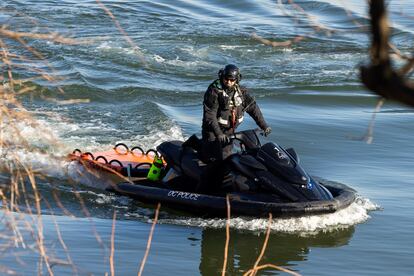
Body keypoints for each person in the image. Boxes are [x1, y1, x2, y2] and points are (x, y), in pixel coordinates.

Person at [197, 64, 271, 192]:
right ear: (222, 77)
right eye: (226, 79)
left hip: (230, 132)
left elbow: (253, 108)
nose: (229, 82)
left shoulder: (241, 92)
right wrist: (219, 134)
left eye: (232, 80)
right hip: (213, 132)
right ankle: (202, 190)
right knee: (216, 162)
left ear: (237, 80)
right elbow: (210, 116)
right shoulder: (214, 91)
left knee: (229, 159)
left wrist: (264, 126)